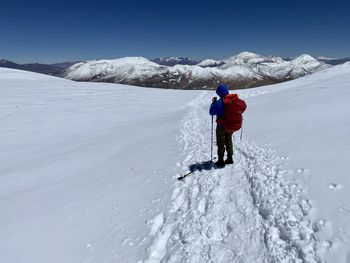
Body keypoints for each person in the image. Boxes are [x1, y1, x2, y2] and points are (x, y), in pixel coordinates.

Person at [209, 84, 234, 168]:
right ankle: (230, 158)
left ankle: (220, 160)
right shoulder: (233, 100)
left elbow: (211, 112)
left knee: (220, 143)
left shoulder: (220, 102)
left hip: (221, 126)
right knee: (228, 140)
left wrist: (213, 103)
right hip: (231, 125)